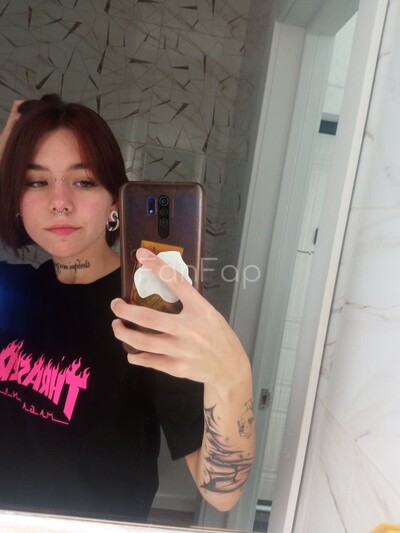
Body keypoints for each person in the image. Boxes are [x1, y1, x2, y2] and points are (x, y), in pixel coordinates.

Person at [0, 95, 255, 522]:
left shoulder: (149, 311)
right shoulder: (11, 290)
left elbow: (221, 493)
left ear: (116, 202)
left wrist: (232, 375)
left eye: (83, 182)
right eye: (36, 182)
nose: (59, 201)